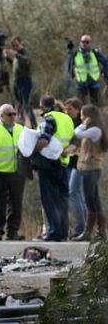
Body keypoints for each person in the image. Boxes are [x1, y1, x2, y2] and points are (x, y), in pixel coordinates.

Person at [33, 95, 74, 242]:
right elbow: (74, 141)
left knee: (50, 199)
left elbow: (44, 139)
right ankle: (63, 232)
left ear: (42, 106)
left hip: (48, 162)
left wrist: (32, 150)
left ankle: (53, 232)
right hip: (63, 162)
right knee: (62, 199)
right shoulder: (67, 119)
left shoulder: (49, 119)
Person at [0, 104, 26, 241]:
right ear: (1, 116)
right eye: (9, 114)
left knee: (16, 203)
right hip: (0, 172)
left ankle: (13, 231)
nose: (13, 117)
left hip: (17, 172)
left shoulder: (21, 129)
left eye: (14, 114)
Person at [72, 105, 108, 240]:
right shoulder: (93, 130)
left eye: (82, 115)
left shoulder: (95, 130)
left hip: (91, 169)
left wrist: (83, 124)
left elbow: (77, 132)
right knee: (94, 199)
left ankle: (89, 231)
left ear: (88, 116)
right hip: (87, 168)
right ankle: (100, 231)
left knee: (90, 199)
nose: (81, 117)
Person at [64, 98, 86, 239]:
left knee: (74, 193)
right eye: (66, 109)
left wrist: (64, 150)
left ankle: (81, 228)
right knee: (77, 195)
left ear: (78, 110)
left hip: (79, 164)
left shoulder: (81, 126)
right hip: (69, 163)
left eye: (70, 109)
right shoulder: (67, 123)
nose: (67, 112)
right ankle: (81, 228)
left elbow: (77, 145)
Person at [4, 36, 36, 128]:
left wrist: (15, 54)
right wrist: (7, 58)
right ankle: (21, 122)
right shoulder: (17, 56)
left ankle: (33, 125)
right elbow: (15, 66)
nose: (15, 47)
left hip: (25, 81)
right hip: (16, 81)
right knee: (18, 104)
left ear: (21, 43)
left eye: (16, 44)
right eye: (13, 45)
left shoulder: (24, 53)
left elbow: (27, 61)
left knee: (26, 104)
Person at [69, 35, 107, 106]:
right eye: (83, 42)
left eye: (87, 42)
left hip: (94, 81)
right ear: (80, 42)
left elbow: (105, 62)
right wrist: (72, 75)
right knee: (80, 104)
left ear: (90, 43)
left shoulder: (95, 53)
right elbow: (70, 65)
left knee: (96, 104)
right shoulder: (76, 54)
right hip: (81, 82)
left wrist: (104, 72)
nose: (85, 44)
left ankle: (96, 117)